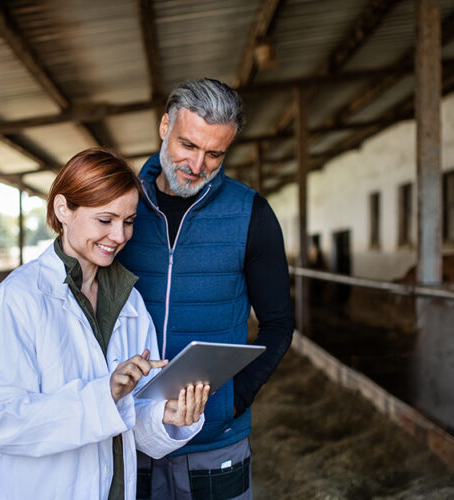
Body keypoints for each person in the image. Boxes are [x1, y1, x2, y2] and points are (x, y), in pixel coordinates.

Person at [0, 148, 210, 500]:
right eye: (105, 220)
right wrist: (103, 394)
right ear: (64, 209)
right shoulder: (18, 299)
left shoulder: (130, 302)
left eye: (128, 221)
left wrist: (167, 417)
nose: (120, 235)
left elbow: (131, 415)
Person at [117, 78, 294, 499]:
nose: (197, 165)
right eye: (187, 145)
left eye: (214, 153)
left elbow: (278, 324)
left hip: (215, 442)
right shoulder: (122, 206)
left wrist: (234, 398)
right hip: (129, 431)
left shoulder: (251, 213)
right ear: (164, 127)